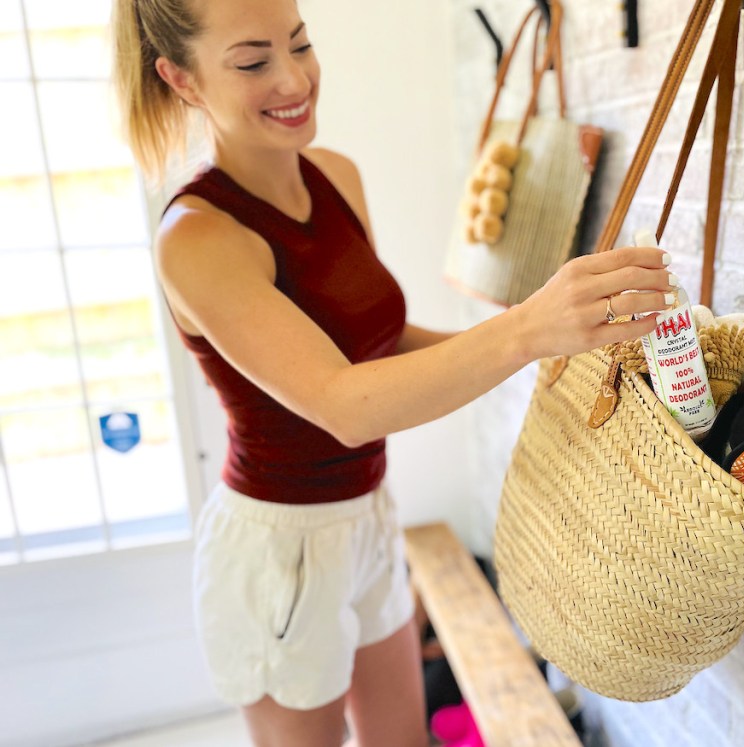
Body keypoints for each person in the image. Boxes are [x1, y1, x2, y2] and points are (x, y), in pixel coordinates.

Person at [112, 0, 677, 745]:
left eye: (301, 44)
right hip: (282, 553)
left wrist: (548, 344)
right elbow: (345, 402)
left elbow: (377, 340)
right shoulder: (197, 237)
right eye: (252, 61)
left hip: (371, 516)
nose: (294, 78)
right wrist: (529, 326)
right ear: (180, 79)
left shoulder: (336, 177)